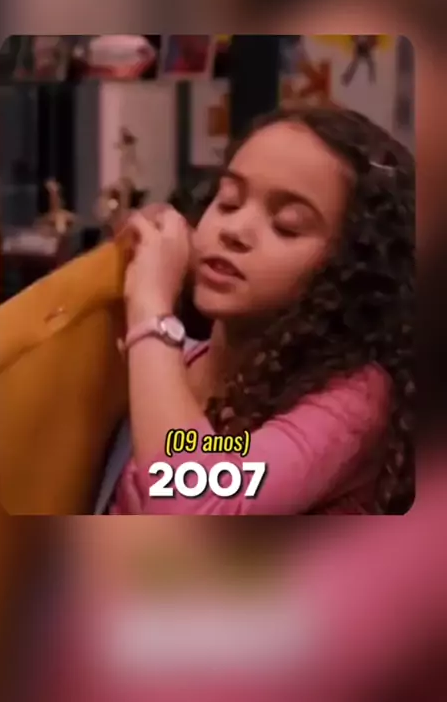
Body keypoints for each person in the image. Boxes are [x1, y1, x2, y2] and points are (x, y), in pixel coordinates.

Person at [108, 103, 414, 515]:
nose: (234, 231)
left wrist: (150, 307)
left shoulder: (355, 399)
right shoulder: (172, 362)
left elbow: (196, 503)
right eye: (229, 202)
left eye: (286, 225)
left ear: (350, 266)